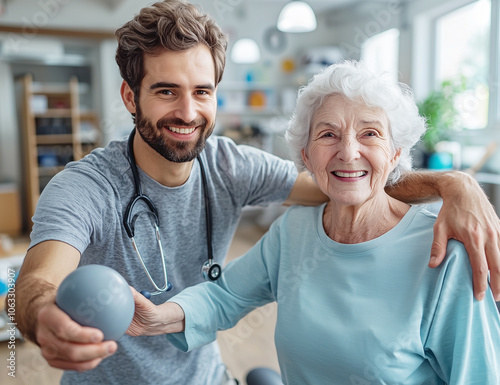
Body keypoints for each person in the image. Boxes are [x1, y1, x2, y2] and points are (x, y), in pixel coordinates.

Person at [10, 1, 499, 384]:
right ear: (129, 96)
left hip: (205, 377)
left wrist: (452, 183)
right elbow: (37, 283)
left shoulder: (230, 165)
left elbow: (347, 180)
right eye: (166, 91)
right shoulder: (86, 186)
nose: (187, 110)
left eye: (202, 91)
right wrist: (43, 314)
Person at [127, 61, 500, 385]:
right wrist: (159, 317)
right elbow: (226, 294)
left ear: (396, 153)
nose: (348, 152)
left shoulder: (446, 257)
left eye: (370, 133)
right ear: (306, 155)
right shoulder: (294, 231)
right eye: (328, 134)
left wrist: (459, 183)